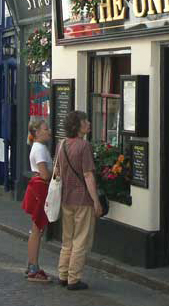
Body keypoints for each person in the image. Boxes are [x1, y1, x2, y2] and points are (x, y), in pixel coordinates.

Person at [58, 110, 102, 290]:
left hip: (66, 197)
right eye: (85, 121)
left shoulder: (61, 144)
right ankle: (74, 278)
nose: (89, 123)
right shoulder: (84, 146)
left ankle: (62, 273)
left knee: (67, 238)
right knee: (80, 239)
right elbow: (88, 175)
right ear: (78, 126)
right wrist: (96, 201)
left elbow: (58, 171)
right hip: (82, 199)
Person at [22, 119, 52, 282]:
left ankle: (32, 264)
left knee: (36, 229)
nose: (49, 131)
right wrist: (56, 170)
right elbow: (45, 174)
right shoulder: (40, 149)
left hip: (38, 187)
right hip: (41, 188)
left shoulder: (39, 148)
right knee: (37, 229)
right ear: (37, 132)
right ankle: (33, 267)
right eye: (45, 129)